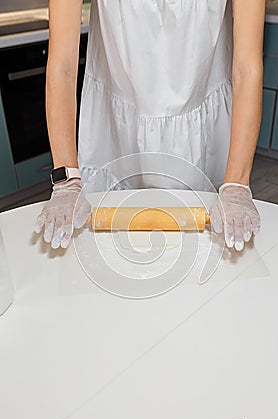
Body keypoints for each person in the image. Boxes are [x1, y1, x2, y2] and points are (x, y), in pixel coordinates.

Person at [34, 0, 264, 251]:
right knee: (109, 253)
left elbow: (247, 69)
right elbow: (62, 67)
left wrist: (237, 185)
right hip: (114, 132)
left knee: (200, 256)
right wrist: (66, 179)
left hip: (203, 126)